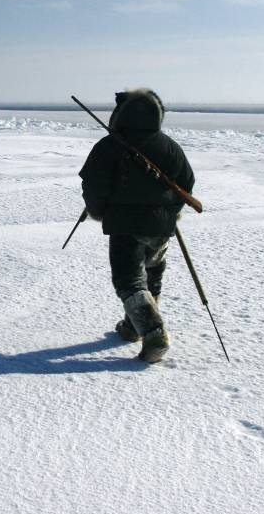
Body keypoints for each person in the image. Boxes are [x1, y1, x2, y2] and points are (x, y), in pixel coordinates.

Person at [78, 89, 195, 363]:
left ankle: (154, 335)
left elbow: (93, 186)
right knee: (151, 273)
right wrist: (168, 213)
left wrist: (100, 211)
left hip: (125, 227)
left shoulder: (109, 146)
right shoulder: (169, 146)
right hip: (161, 228)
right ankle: (133, 326)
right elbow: (186, 184)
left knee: (129, 281)